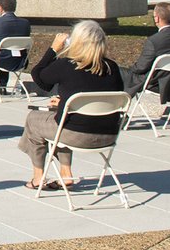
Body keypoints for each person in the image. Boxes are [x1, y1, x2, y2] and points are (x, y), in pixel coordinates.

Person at [18, 21, 124, 190]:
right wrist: (66, 102)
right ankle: (65, 174)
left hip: (77, 135)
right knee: (62, 117)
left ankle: (38, 177)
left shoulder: (66, 65)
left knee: (34, 119)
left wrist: (53, 49)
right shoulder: (112, 67)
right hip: (108, 135)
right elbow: (104, 95)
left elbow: (40, 78)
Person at [121, 3, 170, 104]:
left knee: (116, 71)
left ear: (157, 18)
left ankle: (117, 109)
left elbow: (141, 67)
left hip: (154, 83)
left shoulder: (154, 40)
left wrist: (130, 69)